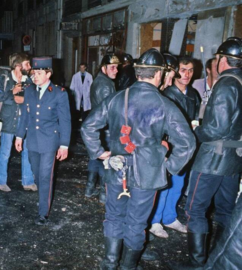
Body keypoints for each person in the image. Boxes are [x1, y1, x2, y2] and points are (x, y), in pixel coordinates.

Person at [82, 48, 196, 270]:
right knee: (136, 222)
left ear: (137, 73)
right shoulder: (165, 104)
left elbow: (88, 127)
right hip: (148, 173)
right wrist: (169, 167)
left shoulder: (117, 97)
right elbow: (188, 143)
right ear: (158, 75)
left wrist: (99, 152)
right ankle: (127, 267)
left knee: (114, 217)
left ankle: (109, 263)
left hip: (116, 168)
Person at [169, 37, 242, 270]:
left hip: (212, 159)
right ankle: (217, 260)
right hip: (233, 160)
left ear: (221, 60)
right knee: (225, 210)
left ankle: (198, 263)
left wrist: (196, 129)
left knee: (196, 210)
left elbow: (216, 129)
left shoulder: (226, 83)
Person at [15, 56, 71, 225]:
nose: (35, 76)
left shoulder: (59, 94)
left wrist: (64, 145)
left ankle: (43, 212)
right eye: (34, 72)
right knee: (37, 173)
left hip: (49, 141)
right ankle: (44, 194)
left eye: (39, 73)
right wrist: (19, 136)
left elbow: (65, 120)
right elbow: (25, 115)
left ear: (48, 74)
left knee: (46, 176)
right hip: (32, 140)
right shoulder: (30, 91)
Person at [149, 56, 200, 239]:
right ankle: (155, 221)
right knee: (164, 184)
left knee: (178, 184)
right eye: (183, 70)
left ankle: (169, 217)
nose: (186, 74)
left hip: (184, 147)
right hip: (169, 146)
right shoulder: (166, 93)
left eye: (190, 70)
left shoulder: (193, 94)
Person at [0, 53, 36, 192]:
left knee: (27, 151)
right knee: (5, 152)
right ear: (18, 66)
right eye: (27, 64)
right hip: (8, 121)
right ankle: (0, 181)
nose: (29, 67)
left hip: (25, 121)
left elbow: (32, 99)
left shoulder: (29, 81)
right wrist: (12, 92)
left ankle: (28, 181)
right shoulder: (4, 79)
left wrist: (21, 98)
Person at [85, 54, 120, 202]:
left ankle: (89, 188)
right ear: (104, 68)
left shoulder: (99, 80)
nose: (116, 70)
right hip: (105, 128)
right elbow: (110, 112)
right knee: (106, 161)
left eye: (117, 67)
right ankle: (104, 195)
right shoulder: (105, 85)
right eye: (113, 67)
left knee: (95, 158)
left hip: (98, 128)